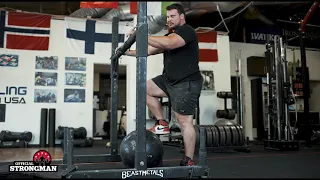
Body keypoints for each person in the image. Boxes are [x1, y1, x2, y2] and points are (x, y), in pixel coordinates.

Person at [122, 3, 203, 166]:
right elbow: (147, 51)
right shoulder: (169, 35)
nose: (169, 19)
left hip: (186, 82)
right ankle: (162, 123)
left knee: (184, 121)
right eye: (167, 17)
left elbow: (170, 44)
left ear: (182, 17)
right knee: (143, 88)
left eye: (172, 16)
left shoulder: (187, 31)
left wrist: (141, 34)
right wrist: (125, 51)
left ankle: (188, 159)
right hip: (169, 80)